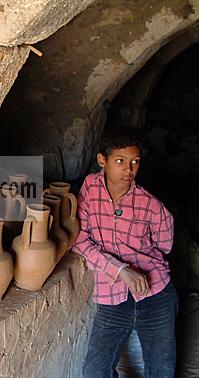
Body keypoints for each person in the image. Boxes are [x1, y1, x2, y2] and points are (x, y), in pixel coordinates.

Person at [72, 127, 177, 378]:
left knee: (161, 369)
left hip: (155, 295)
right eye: (120, 161)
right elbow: (80, 241)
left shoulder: (150, 204)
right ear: (102, 161)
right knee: (95, 371)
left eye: (134, 162)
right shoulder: (89, 188)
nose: (128, 170)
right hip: (112, 296)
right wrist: (121, 270)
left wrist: (138, 263)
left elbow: (165, 246)